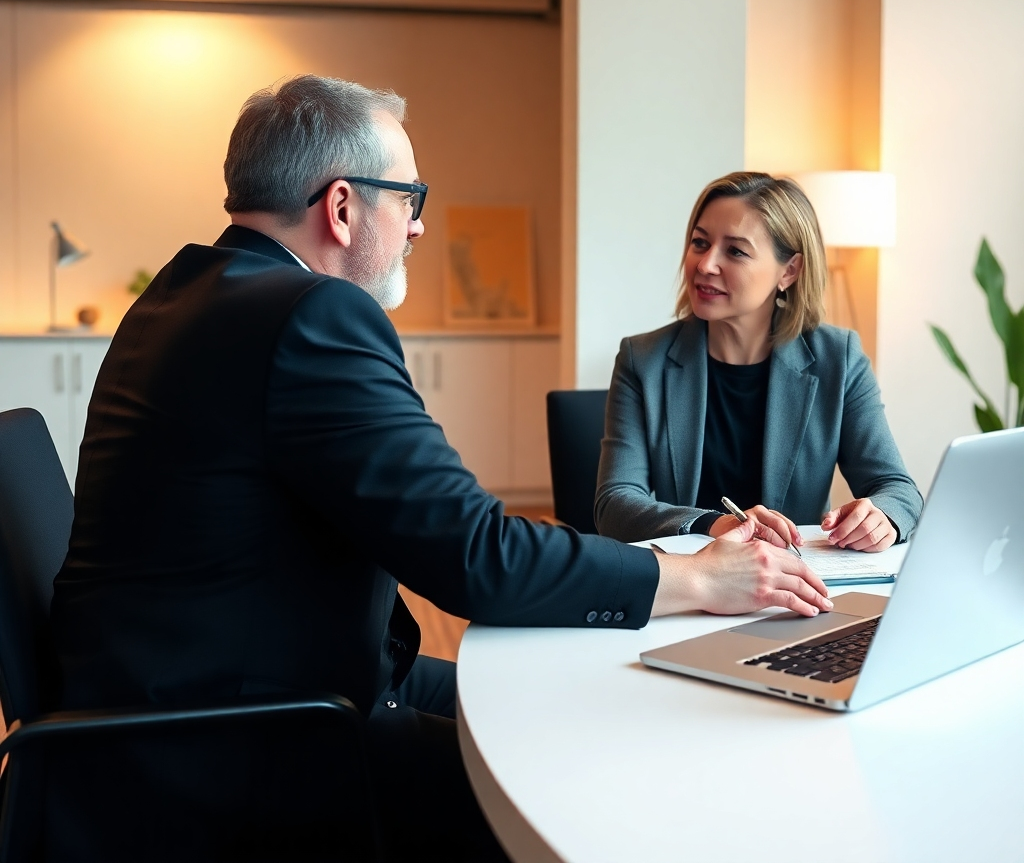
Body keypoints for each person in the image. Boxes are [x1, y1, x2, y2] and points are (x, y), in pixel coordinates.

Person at [47, 85, 832, 863]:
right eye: (409, 197)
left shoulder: (186, 290)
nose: (419, 223)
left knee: (564, 706)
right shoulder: (311, 314)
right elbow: (473, 554)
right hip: (249, 746)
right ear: (343, 207)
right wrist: (698, 577)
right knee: (595, 786)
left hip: (185, 707)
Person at [596, 171, 923, 554]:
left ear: (789, 271)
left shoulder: (839, 358)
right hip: (692, 576)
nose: (705, 264)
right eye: (700, 243)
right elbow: (614, 504)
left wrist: (880, 517)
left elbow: (898, 490)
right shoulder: (643, 360)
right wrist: (712, 523)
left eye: (735, 251)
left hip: (795, 577)